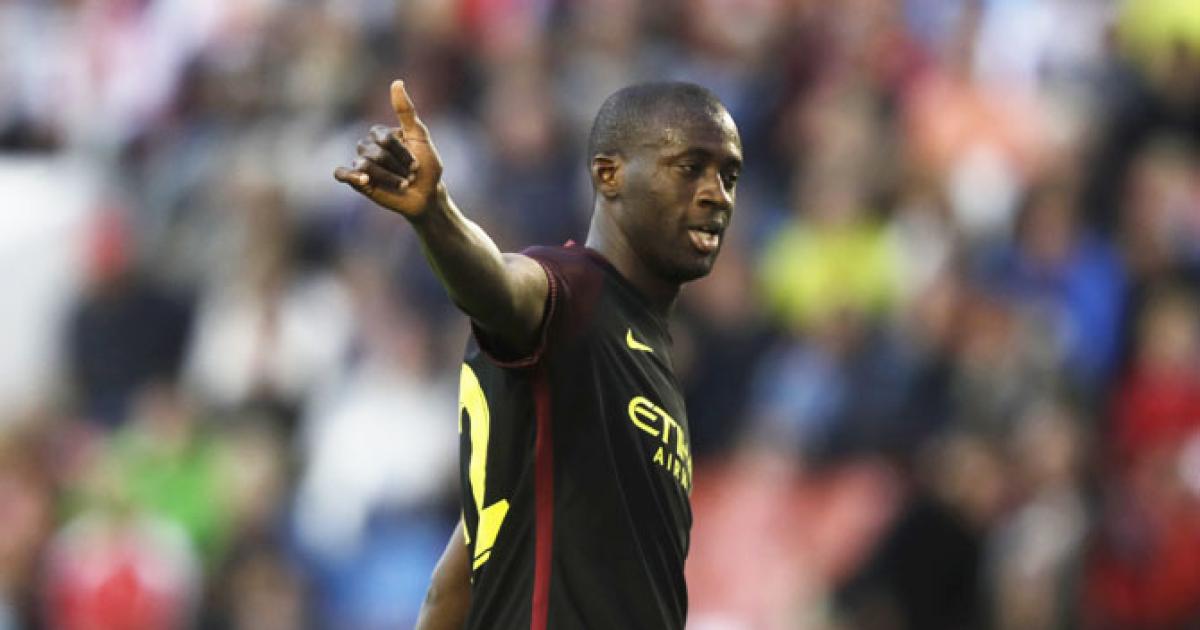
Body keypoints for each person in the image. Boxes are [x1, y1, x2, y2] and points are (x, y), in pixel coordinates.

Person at [334, 79, 742, 629]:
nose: (717, 193)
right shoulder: (574, 292)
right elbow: (500, 286)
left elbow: (450, 588)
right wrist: (435, 215)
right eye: (690, 168)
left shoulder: (639, 352)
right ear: (609, 174)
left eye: (728, 175)